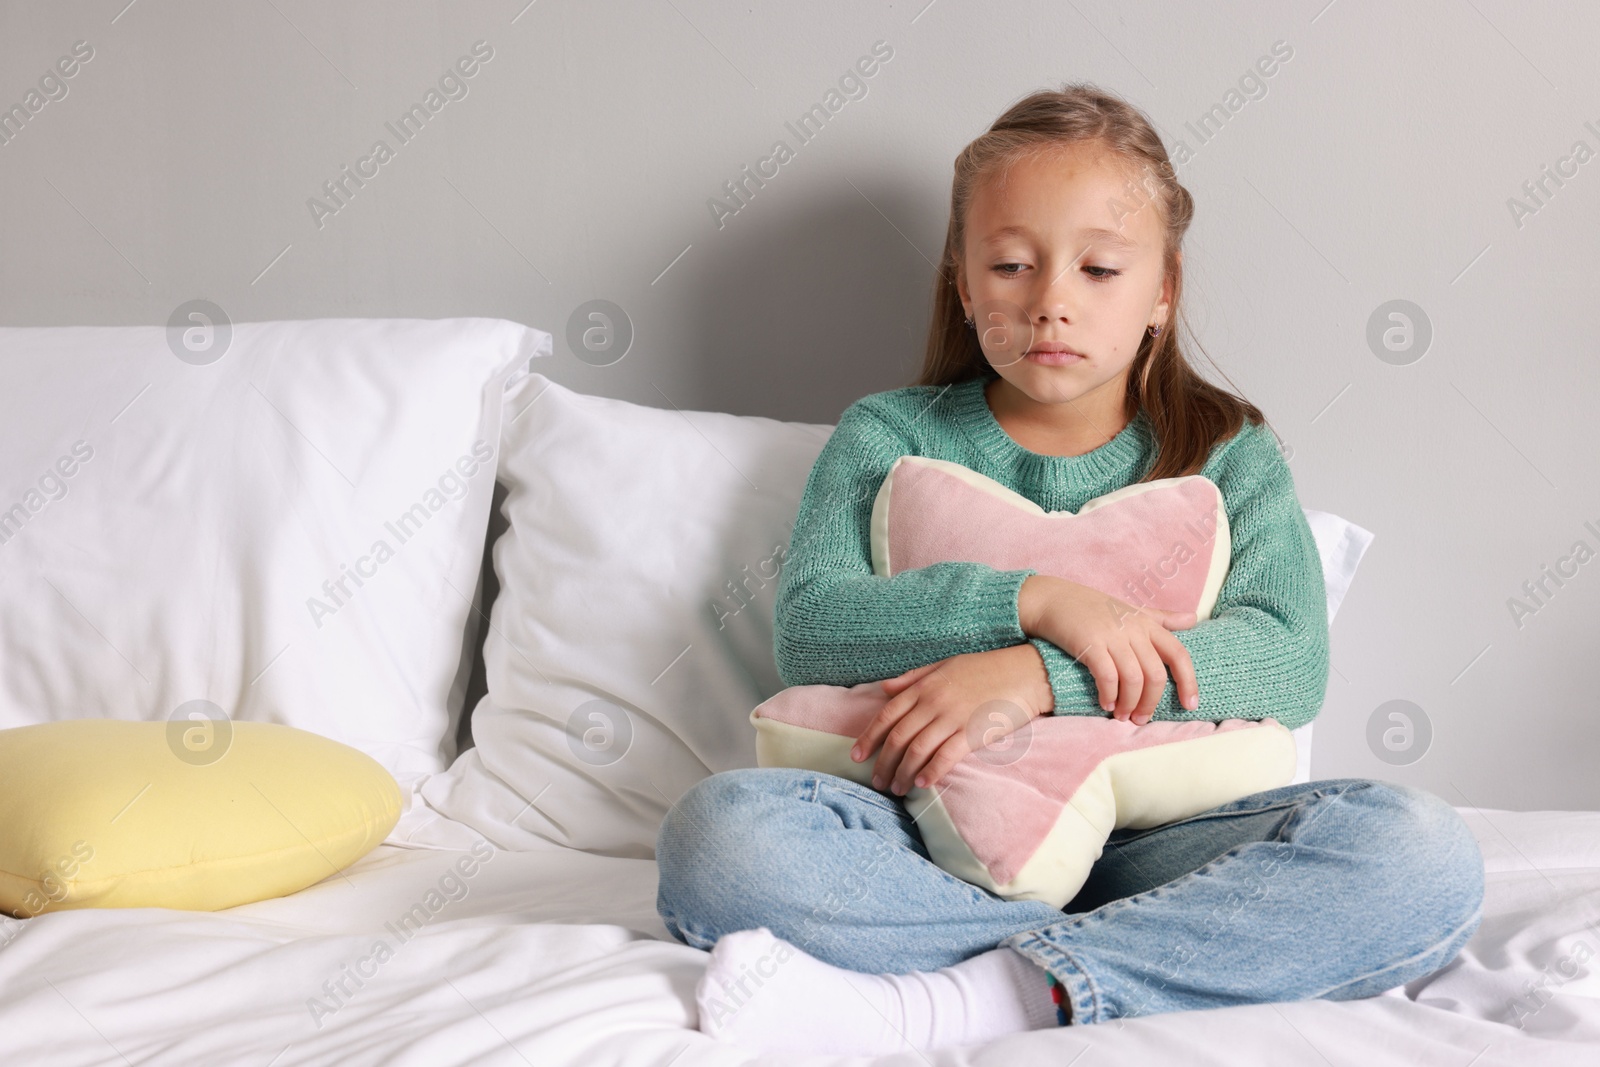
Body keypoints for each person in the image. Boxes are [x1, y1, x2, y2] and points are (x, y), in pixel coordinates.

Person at [655, 82, 1485, 1055]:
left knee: (1417, 848)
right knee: (718, 835)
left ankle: (964, 998)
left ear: (1161, 291)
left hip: (1155, 845)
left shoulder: (1228, 449)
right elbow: (815, 624)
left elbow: (1284, 661)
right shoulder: (888, 435)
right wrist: (1035, 600)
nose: (1049, 300)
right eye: (1009, 264)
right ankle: (1094, 971)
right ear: (963, 285)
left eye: (1097, 268)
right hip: (919, 827)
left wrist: (1033, 674)